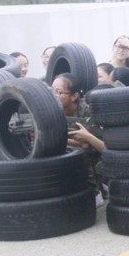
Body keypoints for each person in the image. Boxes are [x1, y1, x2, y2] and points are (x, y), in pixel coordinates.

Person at [52, 73, 106, 204]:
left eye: (58, 92)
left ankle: (96, 192)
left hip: (97, 156)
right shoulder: (50, 111)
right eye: (51, 91)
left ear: (74, 96)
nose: (53, 96)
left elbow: (104, 145)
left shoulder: (90, 112)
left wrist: (85, 140)